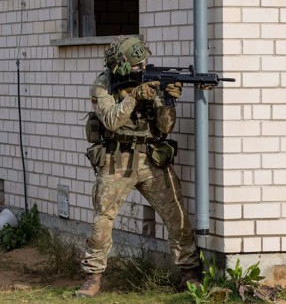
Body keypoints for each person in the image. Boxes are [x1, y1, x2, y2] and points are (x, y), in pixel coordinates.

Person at [76, 35, 200, 298]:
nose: (142, 68)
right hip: (116, 159)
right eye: (136, 65)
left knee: (176, 215)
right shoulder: (103, 84)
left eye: (144, 63)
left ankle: (191, 273)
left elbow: (166, 127)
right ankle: (93, 276)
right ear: (119, 66)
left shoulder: (151, 81)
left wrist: (166, 100)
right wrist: (134, 96)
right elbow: (111, 120)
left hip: (152, 159)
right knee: (103, 219)